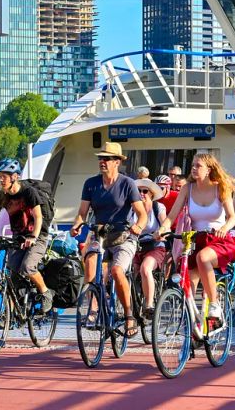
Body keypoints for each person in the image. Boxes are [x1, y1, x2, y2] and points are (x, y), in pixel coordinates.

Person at [70, 142, 148, 338]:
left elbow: (142, 214)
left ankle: (129, 314)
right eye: (100, 158)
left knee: (116, 270)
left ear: (117, 162)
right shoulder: (91, 184)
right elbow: (82, 213)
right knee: (90, 267)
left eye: (106, 159)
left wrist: (138, 227)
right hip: (100, 234)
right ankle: (94, 308)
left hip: (123, 236)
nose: (102, 162)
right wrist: (76, 224)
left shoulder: (127, 184)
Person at [157, 153, 235, 333]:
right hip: (194, 239)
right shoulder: (188, 188)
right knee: (188, 283)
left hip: (218, 240)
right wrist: (163, 228)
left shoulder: (221, 187)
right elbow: (171, 216)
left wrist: (224, 228)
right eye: (193, 165)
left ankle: (215, 305)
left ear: (209, 169)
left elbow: (232, 218)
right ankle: (192, 327)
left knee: (203, 258)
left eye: (198, 166)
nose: (194, 169)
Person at [0, 158, 54, 313]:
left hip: (37, 236)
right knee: (10, 272)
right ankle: (12, 311)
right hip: (18, 237)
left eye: (4, 176)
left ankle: (45, 293)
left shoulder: (28, 192)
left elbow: (38, 217)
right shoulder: (0, 196)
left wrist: (32, 237)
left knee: (27, 267)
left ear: (15, 177)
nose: (0, 179)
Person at [129, 179, 167, 320]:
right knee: (127, 273)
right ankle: (128, 309)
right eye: (138, 191)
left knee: (145, 268)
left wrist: (162, 232)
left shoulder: (158, 207)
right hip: (134, 245)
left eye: (145, 191)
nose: (141, 194)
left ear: (151, 194)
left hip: (154, 246)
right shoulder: (131, 208)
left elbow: (165, 223)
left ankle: (149, 304)